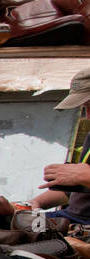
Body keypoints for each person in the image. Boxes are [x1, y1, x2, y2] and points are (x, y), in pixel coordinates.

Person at [33, 68, 90, 222]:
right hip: (70, 218)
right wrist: (35, 203)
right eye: (85, 108)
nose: (87, 115)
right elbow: (77, 191)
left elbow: (84, 178)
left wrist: (84, 176)